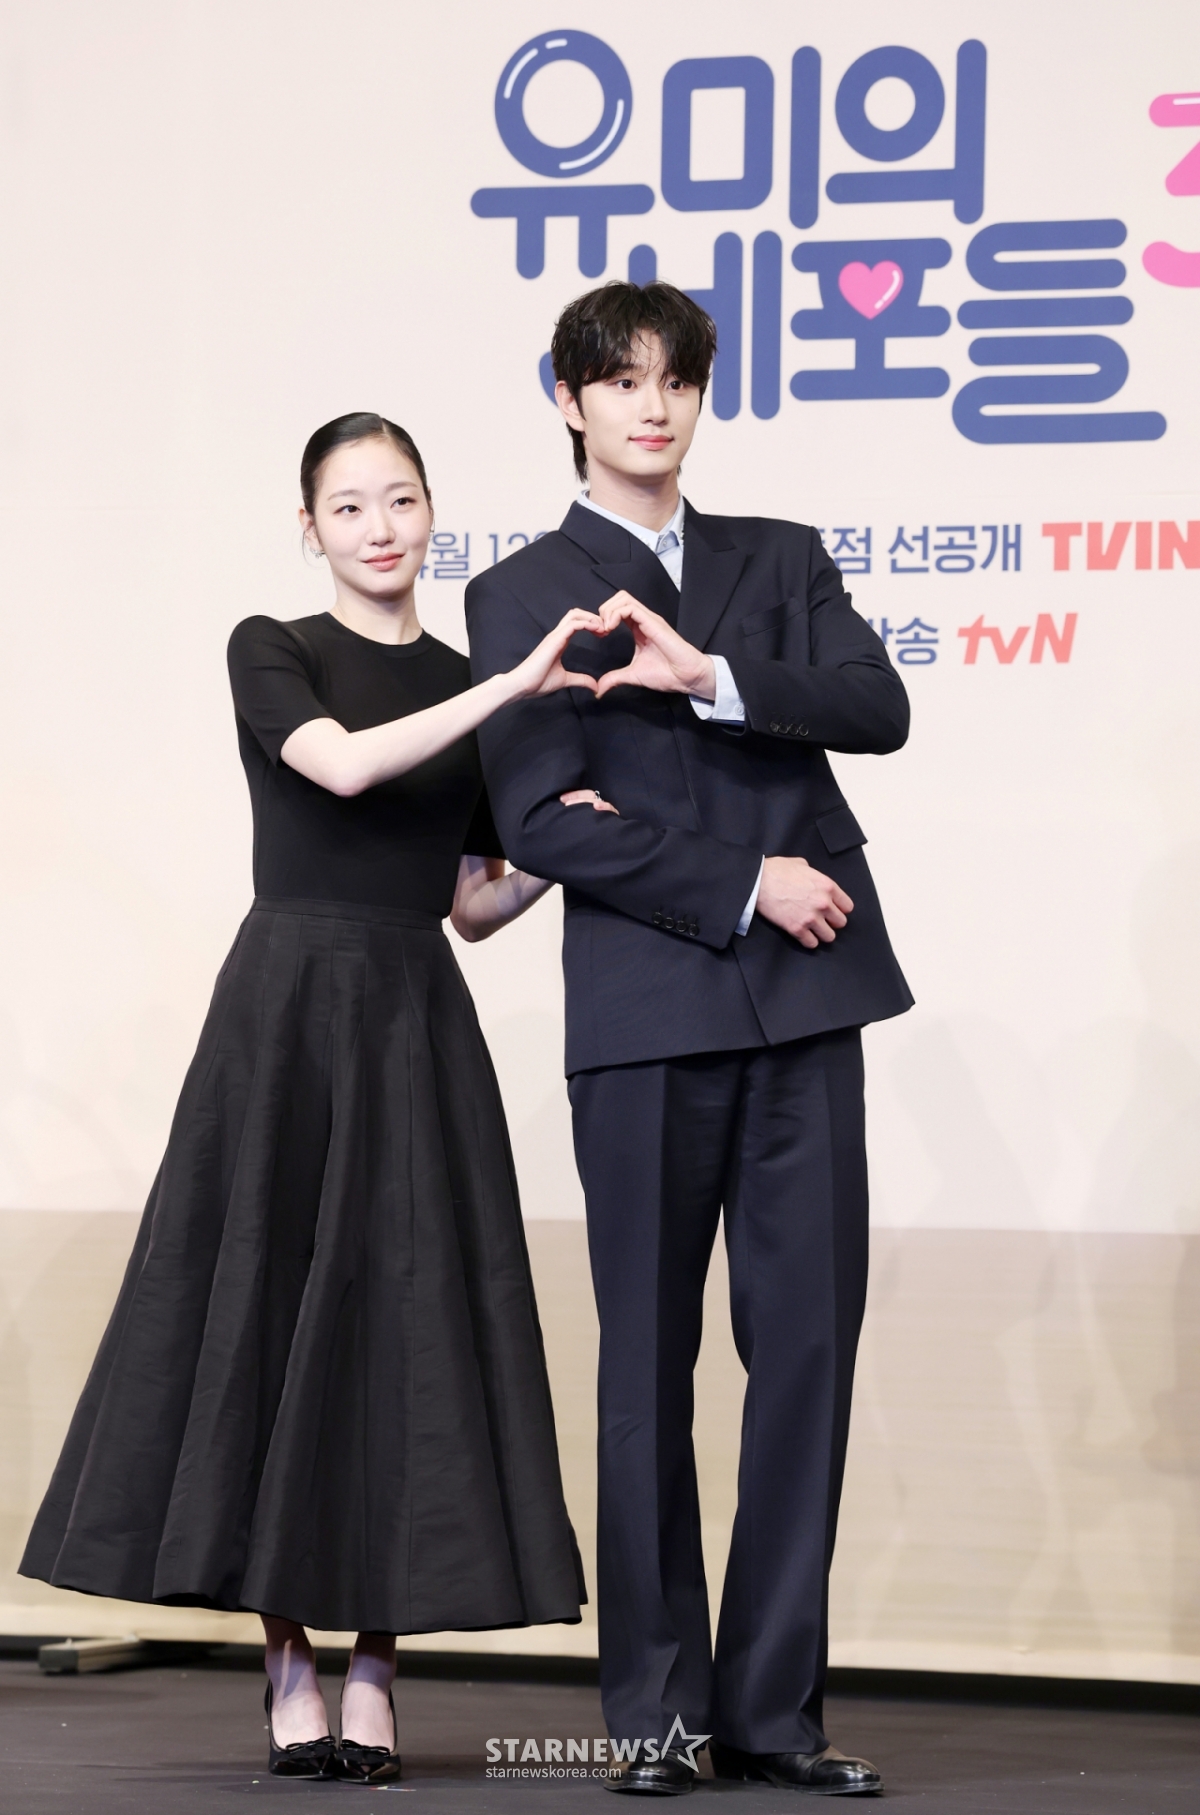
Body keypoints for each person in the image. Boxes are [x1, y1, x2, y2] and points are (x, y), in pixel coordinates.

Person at [20, 412, 607, 1784]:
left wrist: (580, 845)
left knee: (409, 1332)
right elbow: (340, 763)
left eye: (401, 500)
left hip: (410, 1013)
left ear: (430, 514)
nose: (380, 526)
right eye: (350, 507)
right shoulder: (272, 649)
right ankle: (288, 1657)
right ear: (312, 528)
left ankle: (377, 1665)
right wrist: (515, 690)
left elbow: (469, 904)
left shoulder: (476, 685)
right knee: (274, 1311)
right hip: (285, 1009)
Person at [466, 285, 914, 1797]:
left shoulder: (776, 562)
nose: (653, 407)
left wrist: (709, 680)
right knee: (646, 1372)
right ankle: (658, 1721)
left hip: (809, 1012)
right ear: (570, 400)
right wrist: (746, 878)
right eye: (622, 382)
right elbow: (539, 823)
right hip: (653, 1018)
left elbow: (876, 705)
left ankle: (776, 1718)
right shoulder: (524, 593)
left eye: (678, 381)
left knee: (806, 1360)